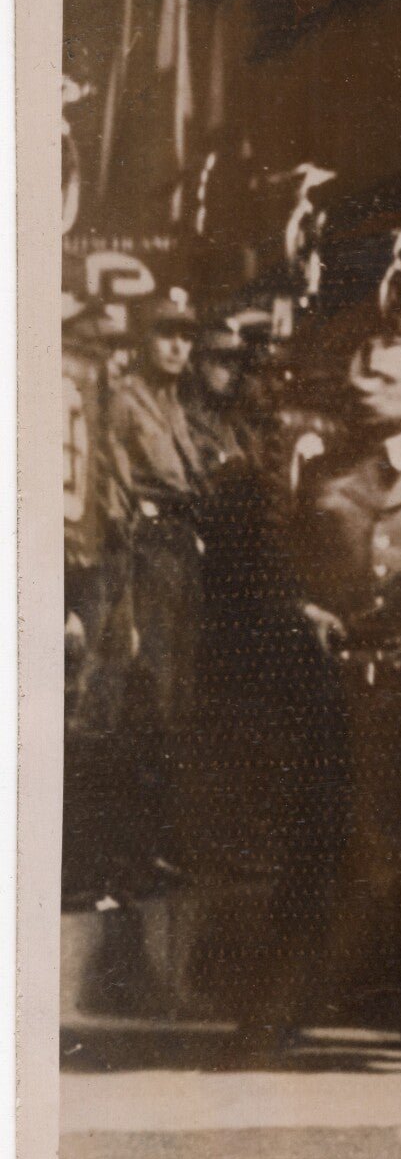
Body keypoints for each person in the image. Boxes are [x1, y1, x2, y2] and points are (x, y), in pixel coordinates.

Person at [246, 334, 401, 1049]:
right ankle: (275, 1014)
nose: (366, 388)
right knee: (318, 840)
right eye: (363, 374)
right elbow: (289, 557)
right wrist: (303, 606)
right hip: (336, 685)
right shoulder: (332, 466)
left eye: (388, 378)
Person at [74, 290, 208, 897]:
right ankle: (125, 857)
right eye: (165, 334)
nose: (178, 345)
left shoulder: (174, 404)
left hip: (178, 558)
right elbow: (120, 488)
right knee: (143, 701)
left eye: (185, 334)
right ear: (144, 341)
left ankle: (151, 848)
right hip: (146, 557)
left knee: (171, 704)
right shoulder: (126, 401)